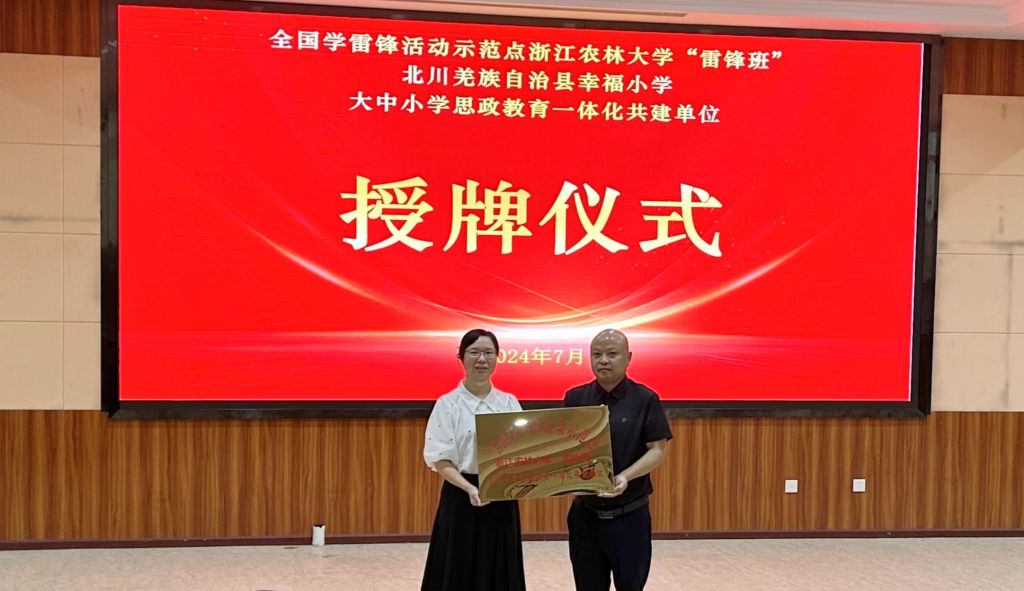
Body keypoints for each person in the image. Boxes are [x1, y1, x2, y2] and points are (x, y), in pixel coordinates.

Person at [563, 329, 673, 591]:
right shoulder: (575, 398)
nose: (604, 360)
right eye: (597, 354)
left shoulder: (645, 399)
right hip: (585, 516)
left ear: (628, 358)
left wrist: (625, 477)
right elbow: (564, 448)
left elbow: (657, 450)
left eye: (612, 354)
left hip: (629, 517)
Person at [421, 329, 526, 591]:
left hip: (501, 495)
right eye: (474, 352)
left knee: (501, 569)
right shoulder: (447, 404)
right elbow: (440, 459)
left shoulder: (508, 403)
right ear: (461, 357)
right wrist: (470, 488)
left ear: (497, 358)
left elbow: (523, 452)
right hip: (461, 496)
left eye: (488, 353)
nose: (482, 359)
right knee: (458, 567)